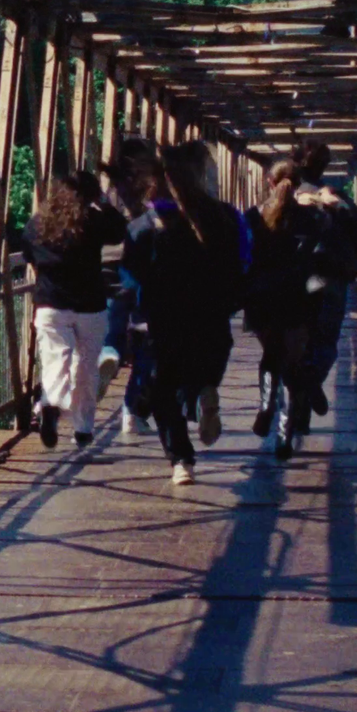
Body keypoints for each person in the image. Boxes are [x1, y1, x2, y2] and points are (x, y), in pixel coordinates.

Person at [124, 140, 248, 485]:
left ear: (154, 180)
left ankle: (182, 460)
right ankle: (204, 391)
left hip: (164, 323)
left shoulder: (147, 225)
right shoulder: (224, 215)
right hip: (213, 320)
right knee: (195, 377)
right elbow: (243, 260)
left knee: (162, 392)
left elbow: (131, 273)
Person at [21, 170, 128, 450]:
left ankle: (51, 404)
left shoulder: (37, 225)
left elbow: (28, 254)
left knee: (55, 360)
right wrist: (104, 201)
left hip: (50, 304)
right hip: (90, 304)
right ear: (90, 196)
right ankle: (83, 428)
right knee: (86, 367)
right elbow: (120, 231)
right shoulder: (92, 222)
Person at [243, 160, 325, 459]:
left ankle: (265, 406)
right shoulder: (312, 218)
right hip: (297, 299)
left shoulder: (253, 216)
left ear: (269, 182)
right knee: (291, 366)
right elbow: (321, 261)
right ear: (299, 183)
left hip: (262, 299)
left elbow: (244, 258)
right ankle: (284, 437)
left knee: (271, 355)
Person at [293, 141, 357, 417]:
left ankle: (290, 394)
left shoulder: (282, 197)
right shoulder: (335, 197)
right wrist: (351, 262)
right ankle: (312, 379)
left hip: (290, 281)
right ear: (324, 166)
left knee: (287, 342)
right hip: (328, 278)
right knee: (325, 339)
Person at [104, 137, 163, 437]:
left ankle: (107, 357)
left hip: (107, 272)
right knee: (147, 344)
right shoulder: (147, 197)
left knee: (112, 334)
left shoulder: (106, 193)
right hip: (139, 273)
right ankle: (132, 410)